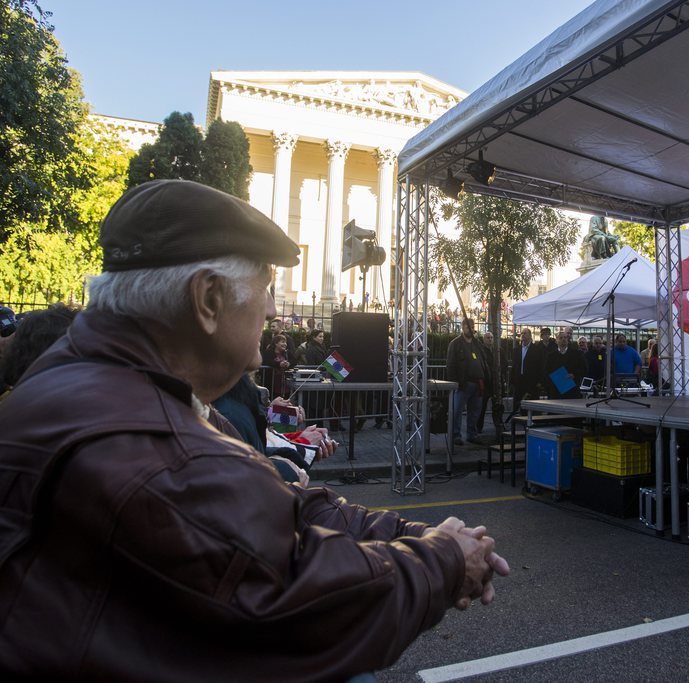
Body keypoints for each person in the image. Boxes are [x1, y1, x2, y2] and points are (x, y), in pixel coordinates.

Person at [0, 179, 509, 680]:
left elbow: (275, 496)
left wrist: (417, 532)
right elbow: (308, 603)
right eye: (265, 287)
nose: (270, 310)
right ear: (208, 299)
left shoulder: (95, 378)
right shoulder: (157, 447)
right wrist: (447, 559)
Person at [446, 317, 489, 445]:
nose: (471, 329)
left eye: (472, 326)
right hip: (463, 383)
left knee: (475, 411)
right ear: (462, 327)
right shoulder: (455, 344)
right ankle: (455, 435)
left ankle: (472, 434)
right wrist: (454, 382)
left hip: (478, 383)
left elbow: (484, 360)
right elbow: (451, 363)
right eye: (468, 326)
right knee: (457, 410)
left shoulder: (477, 344)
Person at [543, 329, 588, 399]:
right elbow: (546, 371)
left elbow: (584, 369)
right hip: (556, 391)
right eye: (561, 338)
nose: (563, 339)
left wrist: (574, 374)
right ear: (556, 341)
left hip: (572, 390)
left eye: (565, 337)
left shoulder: (577, 354)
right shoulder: (550, 356)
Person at [510, 327, 546, 414]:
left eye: (525, 333)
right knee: (519, 403)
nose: (522, 335)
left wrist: (540, 381)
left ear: (530, 336)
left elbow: (541, 366)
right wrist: (512, 380)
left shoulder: (537, 350)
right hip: (519, 381)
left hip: (532, 382)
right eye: (521, 333)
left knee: (532, 404)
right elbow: (514, 366)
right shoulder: (516, 350)